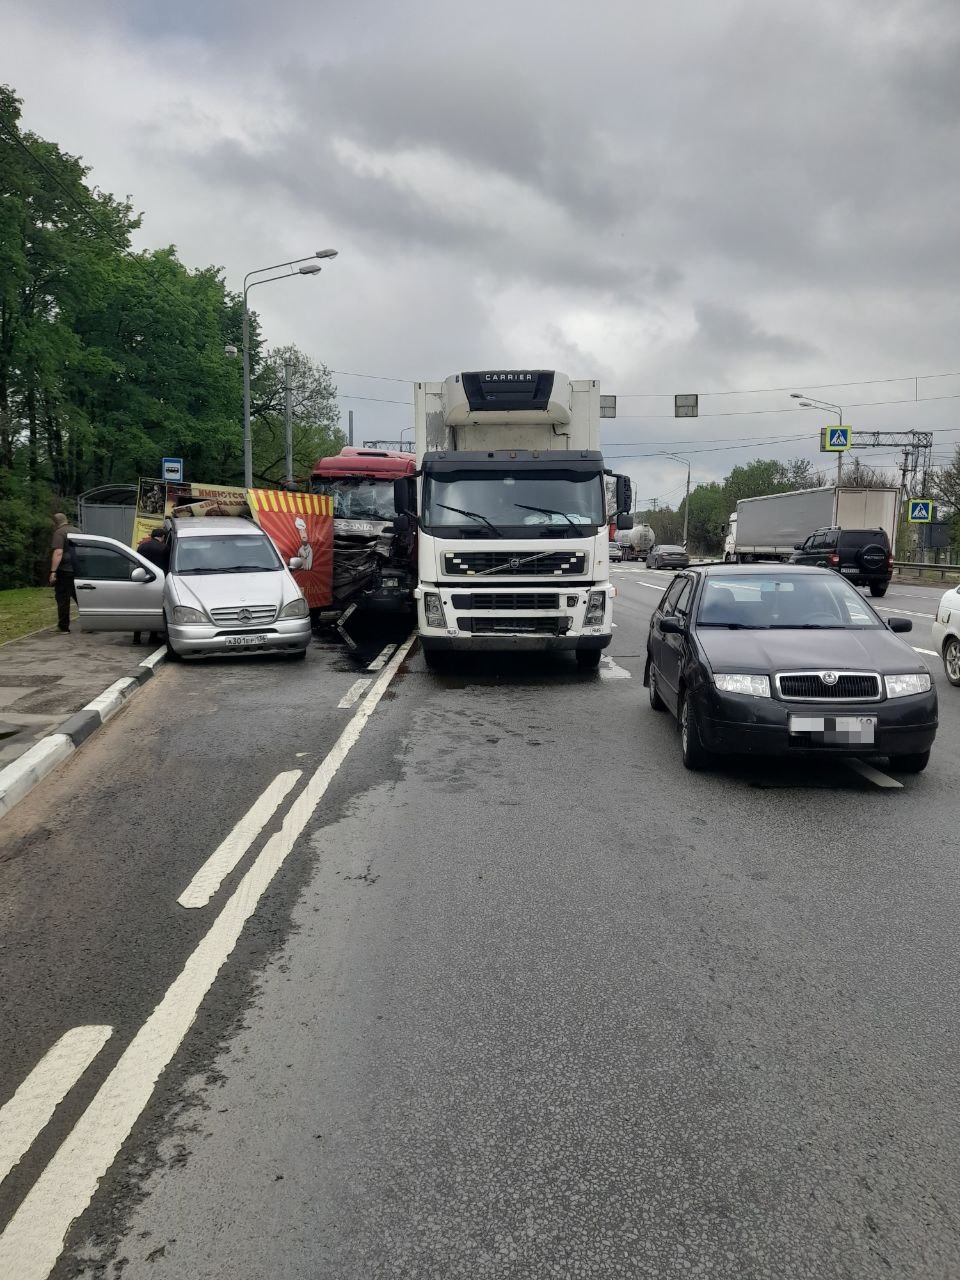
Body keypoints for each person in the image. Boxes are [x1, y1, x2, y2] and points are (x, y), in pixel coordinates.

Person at [50, 512, 80, 633]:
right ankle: (91, 625)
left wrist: (53, 571)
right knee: (81, 598)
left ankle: (63, 627)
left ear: (55, 523)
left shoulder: (59, 533)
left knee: (63, 598)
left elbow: (58, 553)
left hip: (65, 570)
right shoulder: (78, 531)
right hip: (79, 569)